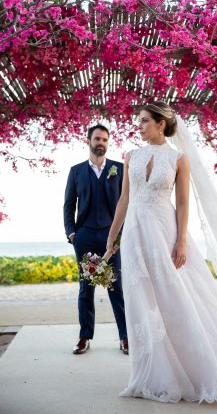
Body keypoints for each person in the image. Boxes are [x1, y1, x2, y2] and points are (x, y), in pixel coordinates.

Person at [105, 101, 217, 403]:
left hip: (165, 232)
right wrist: (112, 239)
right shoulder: (130, 156)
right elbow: (124, 200)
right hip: (135, 234)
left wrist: (182, 242)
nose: (139, 126)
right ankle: (150, 373)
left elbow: (184, 203)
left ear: (161, 124)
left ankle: (193, 368)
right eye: (139, 121)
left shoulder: (178, 159)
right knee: (141, 299)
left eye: (145, 121)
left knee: (175, 296)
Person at [64, 124, 128, 356]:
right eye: (97, 139)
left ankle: (125, 336)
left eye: (104, 140)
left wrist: (123, 234)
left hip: (113, 237)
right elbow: (69, 203)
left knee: (117, 287)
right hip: (86, 236)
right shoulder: (76, 171)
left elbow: (127, 203)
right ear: (88, 141)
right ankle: (84, 337)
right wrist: (72, 233)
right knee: (86, 288)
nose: (101, 143)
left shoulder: (119, 169)